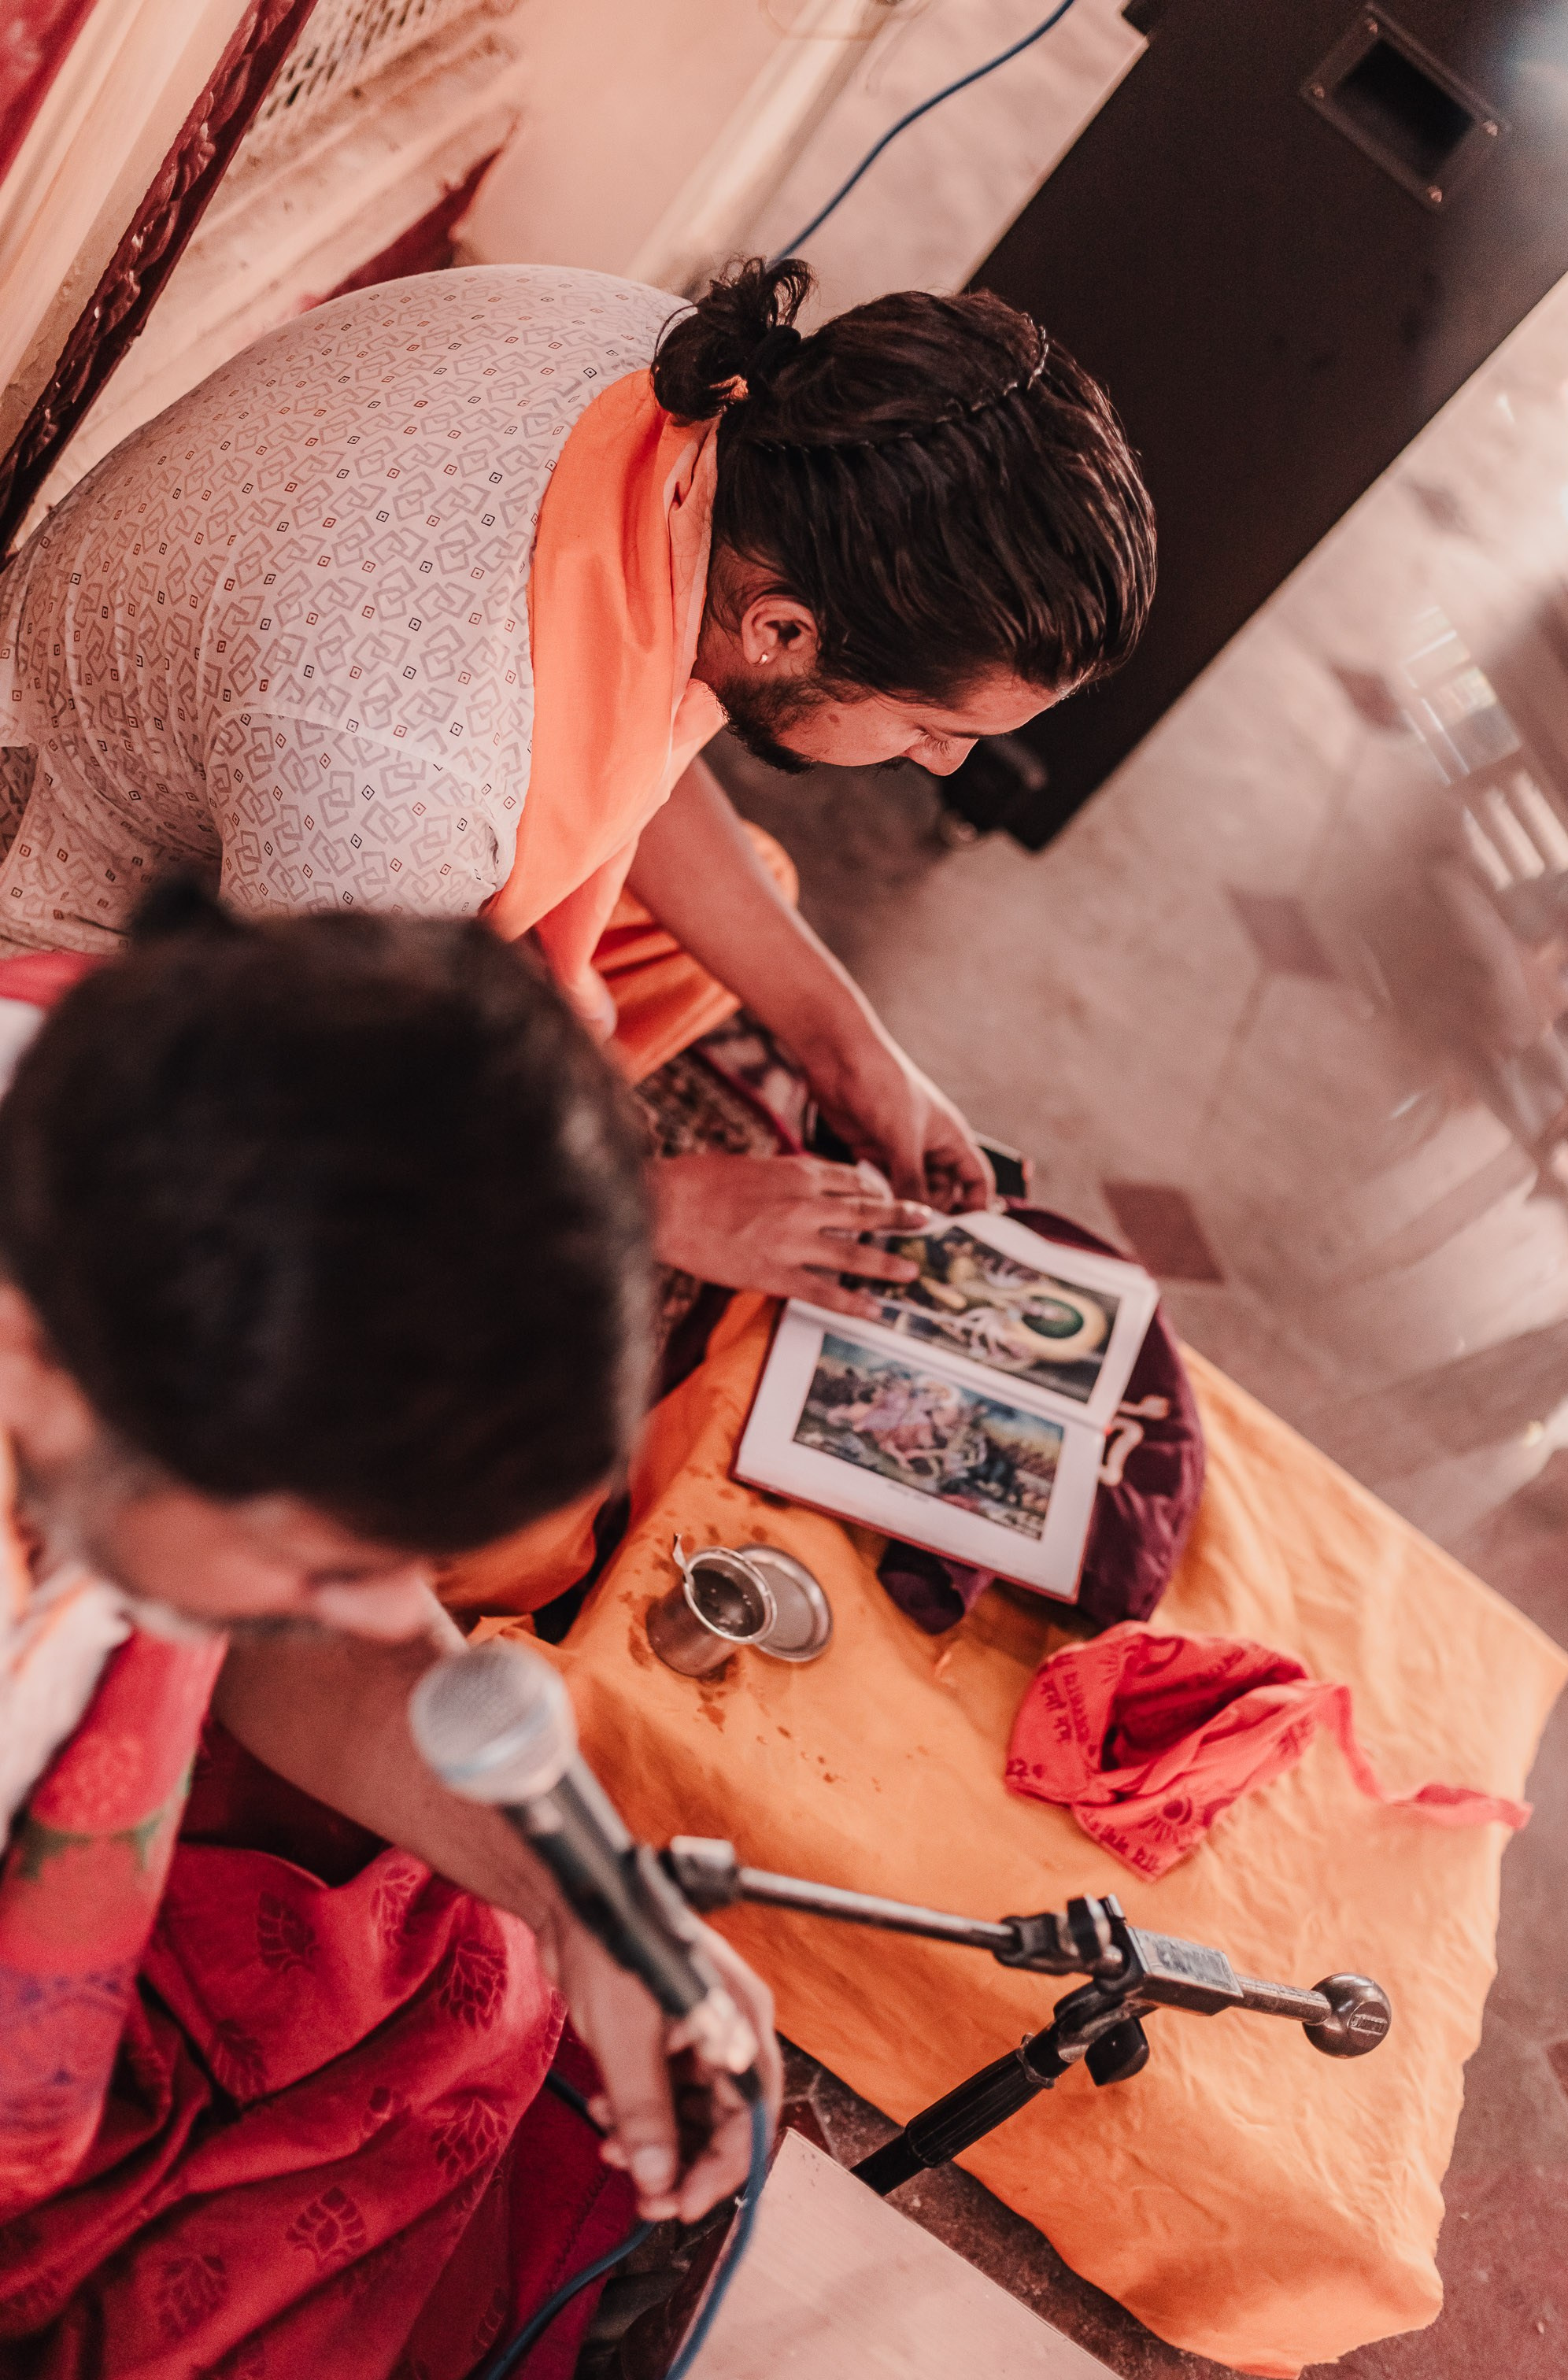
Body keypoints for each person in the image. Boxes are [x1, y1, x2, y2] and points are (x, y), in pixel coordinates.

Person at [0, 254, 1155, 1318]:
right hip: (93, 962)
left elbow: (619, 737)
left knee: (754, 899)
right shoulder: (413, 766)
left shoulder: (700, 394)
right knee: (459, 1428)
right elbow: (305, 1105)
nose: (944, 767)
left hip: (319, 833)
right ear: (783, 629)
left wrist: (840, 1040)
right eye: (930, 727)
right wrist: (658, 1208)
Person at [0, 886, 778, 2378]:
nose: (395, 1620)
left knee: (479, 1968)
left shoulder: (122, 1136)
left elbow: (314, 1648)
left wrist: (589, 1900)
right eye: (331, 1559)